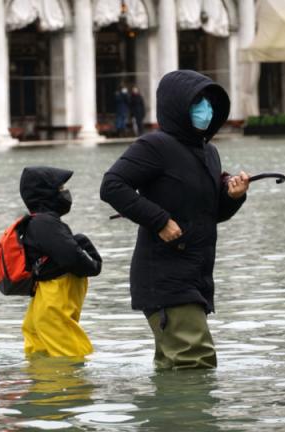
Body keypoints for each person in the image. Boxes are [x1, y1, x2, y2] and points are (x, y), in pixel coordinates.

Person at [99, 70, 250, 370]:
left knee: (178, 365)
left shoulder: (209, 152)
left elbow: (209, 214)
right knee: (195, 363)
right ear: (176, 105)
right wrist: (159, 221)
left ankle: (168, 418)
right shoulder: (155, 145)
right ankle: (189, 418)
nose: (205, 110)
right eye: (197, 102)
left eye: (209, 102)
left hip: (197, 276)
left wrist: (234, 197)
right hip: (164, 278)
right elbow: (112, 186)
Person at [19, 166, 103, 358]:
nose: (65, 193)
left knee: (36, 336)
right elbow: (72, 258)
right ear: (46, 194)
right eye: (60, 188)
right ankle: (73, 385)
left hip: (47, 292)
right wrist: (93, 261)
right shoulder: (45, 223)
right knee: (66, 348)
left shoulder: (37, 222)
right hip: (54, 292)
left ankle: (44, 382)